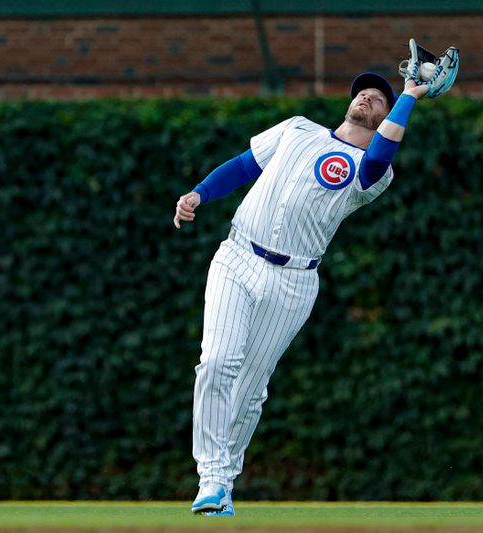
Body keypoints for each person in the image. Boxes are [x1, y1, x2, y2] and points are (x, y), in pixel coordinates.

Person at [173, 72, 430, 517]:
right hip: (237, 257)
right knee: (217, 362)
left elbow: (381, 153)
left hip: (293, 280)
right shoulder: (297, 128)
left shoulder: (374, 171)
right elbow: (243, 165)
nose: (369, 95)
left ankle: (224, 485)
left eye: (380, 98)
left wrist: (409, 95)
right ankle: (211, 478)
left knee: (250, 388)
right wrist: (199, 192)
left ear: (387, 117)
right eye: (364, 91)